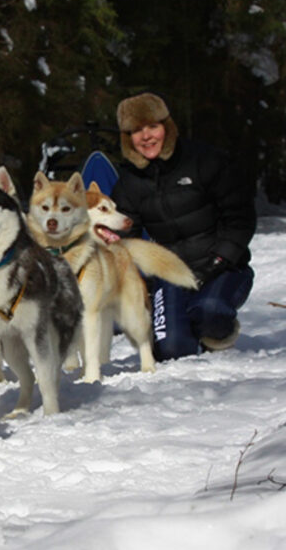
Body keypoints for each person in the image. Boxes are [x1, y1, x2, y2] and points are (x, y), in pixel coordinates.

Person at [105, 91, 256, 359]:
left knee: (209, 311)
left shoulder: (204, 160)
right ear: (128, 138)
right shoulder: (128, 183)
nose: (147, 136)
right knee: (173, 351)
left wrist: (220, 259)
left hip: (222, 267)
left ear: (167, 126)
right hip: (170, 273)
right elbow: (127, 234)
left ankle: (215, 332)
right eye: (137, 130)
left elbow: (240, 216)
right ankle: (169, 330)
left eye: (153, 126)